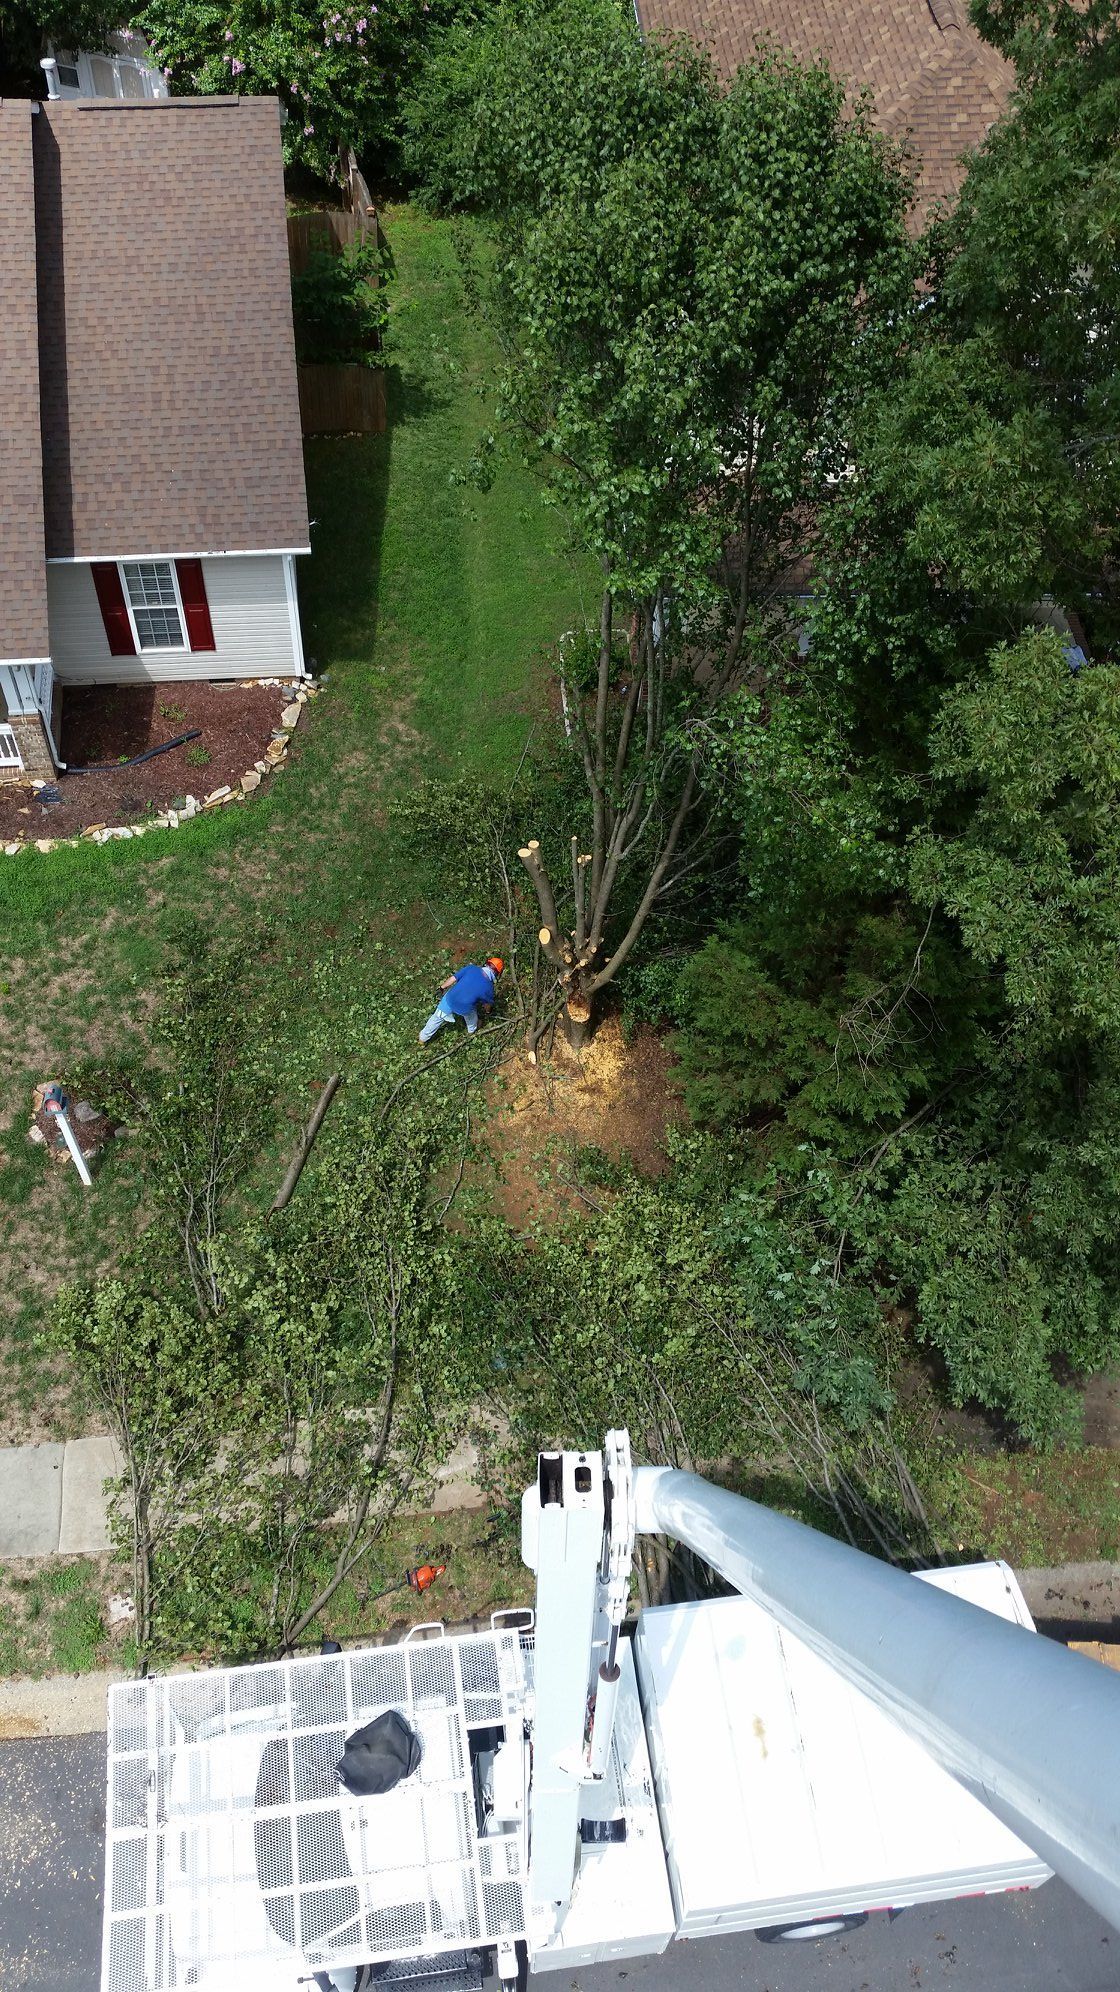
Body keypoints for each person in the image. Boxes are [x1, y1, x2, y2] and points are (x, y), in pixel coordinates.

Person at [419, 957, 504, 1044]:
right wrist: (487, 1012)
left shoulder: (471, 968)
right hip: (465, 1008)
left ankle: (422, 1039)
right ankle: (471, 1033)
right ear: (497, 973)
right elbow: (487, 1005)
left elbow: (453, 978)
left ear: (486, 963)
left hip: (450, 999)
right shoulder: (489, 988)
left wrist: (441, 988)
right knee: (472, 1021)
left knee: (436, 1018)